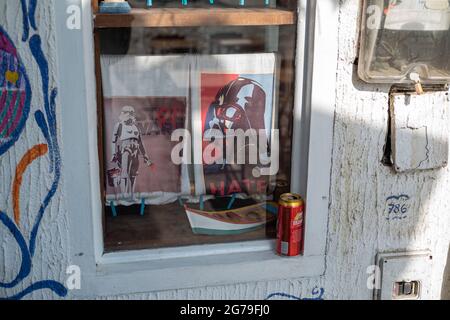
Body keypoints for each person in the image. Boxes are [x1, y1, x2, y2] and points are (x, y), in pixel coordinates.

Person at [111, 105, 151, 197]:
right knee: (124, 173)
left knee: (133, 174)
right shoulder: (119, 125)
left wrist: (145, 155)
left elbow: (140, 142)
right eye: (127, 112)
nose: (129, 115)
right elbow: (113, 141)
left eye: (131, 113)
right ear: (123, 113)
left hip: (135, 151)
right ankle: (124, 195)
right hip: (125, 150)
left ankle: (131, 194)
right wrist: (113, 153)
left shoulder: (135, 127)